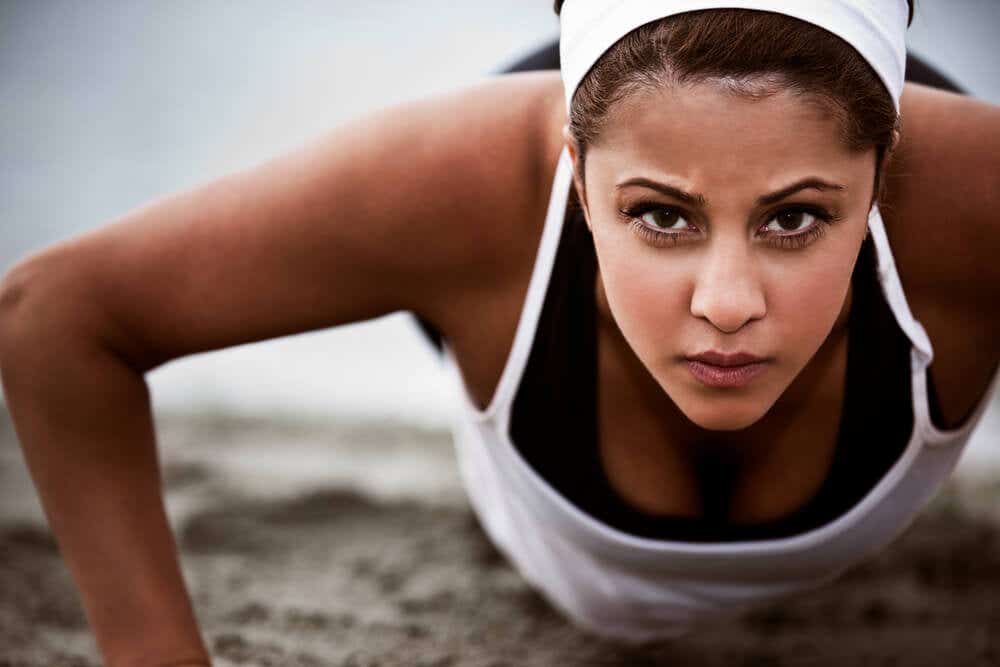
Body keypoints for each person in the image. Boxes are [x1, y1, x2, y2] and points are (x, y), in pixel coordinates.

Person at [0, 0, 997, 663]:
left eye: (793, 218)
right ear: (572, 165)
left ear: (887, 169)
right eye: (662, 215)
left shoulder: (969, 205)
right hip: (514, 260)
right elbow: (55, 314)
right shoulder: (469, 190)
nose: (726, 301)